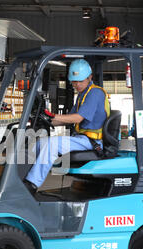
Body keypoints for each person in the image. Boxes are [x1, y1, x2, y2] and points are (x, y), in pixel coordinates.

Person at [24, 59, 110, 193]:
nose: (77, 84)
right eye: (74, 81)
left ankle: (31, 184)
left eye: (80, 81)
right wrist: (45, 119)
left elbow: (77, 118)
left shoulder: (95, 93)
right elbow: (67, 119)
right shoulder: (82, 95)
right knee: (39, 144)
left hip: (93, 141)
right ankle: (20, 177)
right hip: (82, 139)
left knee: (52, 144)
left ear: (90, 77)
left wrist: (53, 116)